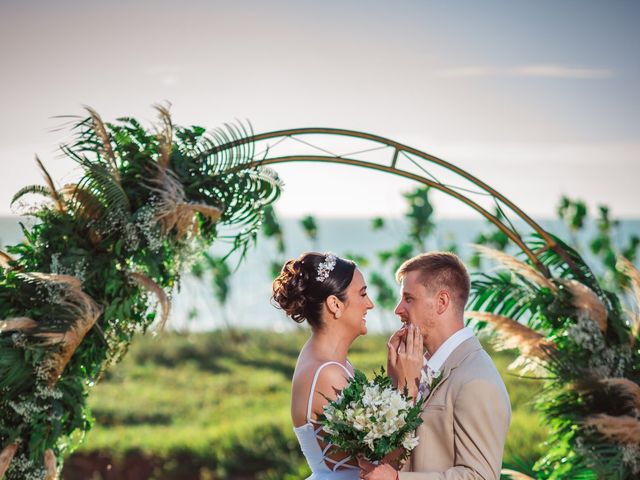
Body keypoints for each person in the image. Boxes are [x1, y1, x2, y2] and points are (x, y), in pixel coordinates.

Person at [361, 252, 511, 480]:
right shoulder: (418, 368)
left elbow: (480, 476)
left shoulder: (475, 381)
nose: (398, 310)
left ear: (442, 302)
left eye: (409, 299)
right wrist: (397, 383)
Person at [272, 252, 382, 479]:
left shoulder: (323, 359)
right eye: (362, 294)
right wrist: (405, 383)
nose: (369, 304)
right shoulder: (328, 373)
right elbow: (378, 459)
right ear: (334, 304)